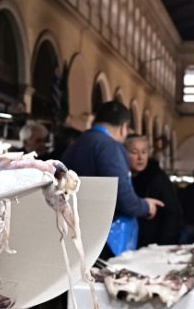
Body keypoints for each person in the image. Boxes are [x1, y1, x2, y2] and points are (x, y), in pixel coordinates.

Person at [60, 101, 161, 258]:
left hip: (74, 232)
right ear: (123, 128)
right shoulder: (109, 147)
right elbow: (122, 197)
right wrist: (146, 206)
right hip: (102, 241)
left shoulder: (77, 144)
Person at [125, 134, 182, 246]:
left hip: (151, 244)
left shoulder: (157, 177)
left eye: (144, 152)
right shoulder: (121, 177)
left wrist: (163, 245)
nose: (140, 157)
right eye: (134, 152)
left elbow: (173, 213)